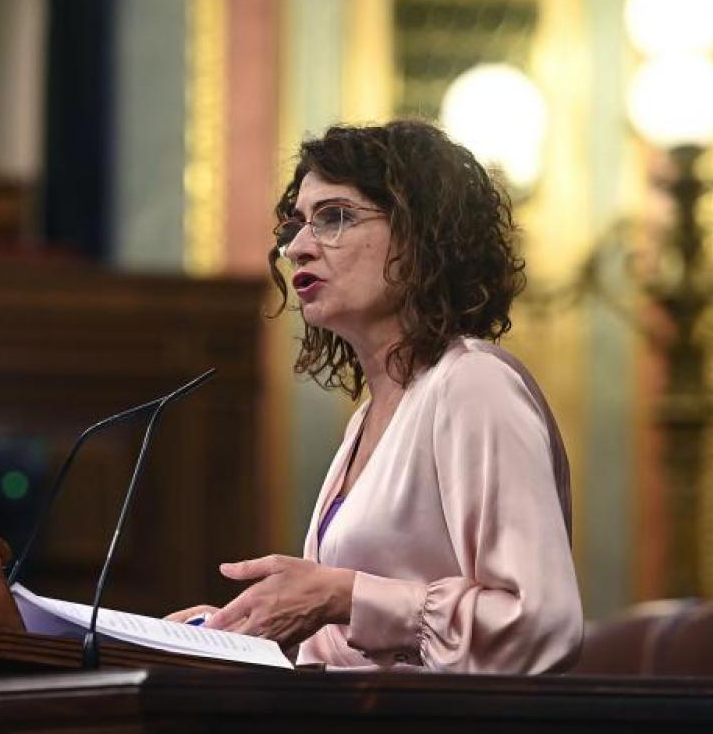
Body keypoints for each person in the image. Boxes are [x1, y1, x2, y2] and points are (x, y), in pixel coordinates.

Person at [168, 121, 582, 673]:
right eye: (296, 226)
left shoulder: (472, 385)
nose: (297, 247)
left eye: (334, 217)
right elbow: (352, 649)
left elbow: (539, 627)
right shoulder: (368, 418)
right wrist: (238, 634)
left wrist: (343, 596)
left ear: (420, 235)